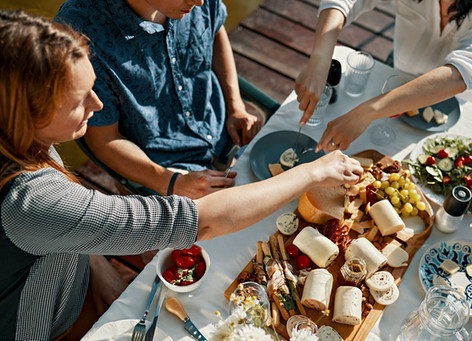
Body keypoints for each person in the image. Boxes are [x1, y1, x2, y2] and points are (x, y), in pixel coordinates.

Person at [0, 10, 363, 340]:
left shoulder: (21, 138)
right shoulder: (31, 201)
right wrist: (312, 172)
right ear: (26, 113)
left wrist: (97, 262)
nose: (97, 105)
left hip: (73, 279)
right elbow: (199, 222)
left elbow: (63, 221)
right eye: (79, 100)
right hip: (48, 326)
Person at [54, 0, 264, 199]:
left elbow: (215, 28)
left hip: (223, 130)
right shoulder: (78, 31)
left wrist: (235, 105)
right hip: (162, 172)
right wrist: (172, 182)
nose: (200, 2)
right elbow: (104, 140)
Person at [295, 0, 472, 152]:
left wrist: (366, 112)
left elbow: (460, 75)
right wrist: (320, 59)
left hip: (469, 110)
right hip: (400, 88)